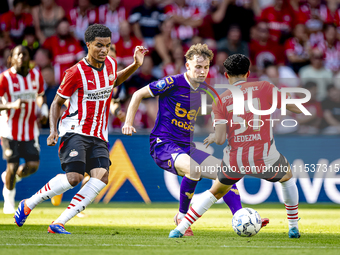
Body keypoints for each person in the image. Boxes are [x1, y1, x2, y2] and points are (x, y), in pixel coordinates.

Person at [122, 44, 268, 237]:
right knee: (193, 169)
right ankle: (182, 217)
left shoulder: (207, 91)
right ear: (187, 66)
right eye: (198, 66)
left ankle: (240, 215)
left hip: (186, 146)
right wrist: (128, 122)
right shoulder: (172, 83)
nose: (202, 71)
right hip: (163, 144)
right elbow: (138, 94)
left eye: (206, 67)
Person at [14, 24, 148, 234]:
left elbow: (114, 80)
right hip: (75, 131)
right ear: (88, 44)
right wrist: (52, 130)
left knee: (101, 177)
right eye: (99, 45)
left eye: (107, 45)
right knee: (74, 178)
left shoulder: (111, 64)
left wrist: (134, 65)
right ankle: (28, 203)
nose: (104, 50)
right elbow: (57, 103)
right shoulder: (75, 72)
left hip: (99, 134)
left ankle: (59, 222)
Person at [169, 54, 302, 239]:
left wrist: (215, 136)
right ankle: (293, 227)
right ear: (248, 72)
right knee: (286, 176)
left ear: (226, 75)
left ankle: (179, 229)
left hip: (235, 159)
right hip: (264, 156)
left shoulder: (221, 100)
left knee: (215, 191)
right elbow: (293, 106)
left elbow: (221, 139)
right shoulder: (264, 87)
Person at [0, 45, 48, 214]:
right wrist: (11, 105)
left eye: (24, 54)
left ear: (29, 57)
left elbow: (40, 96)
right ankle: (9, 200)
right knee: (12, 166)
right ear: (12, 58)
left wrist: (43, 111)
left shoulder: (36, 75)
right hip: (9, 130)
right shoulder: (4, 78)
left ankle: (10, 179)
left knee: (33, 165)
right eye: (17, 54)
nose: (21, 57)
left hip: (30, 129)